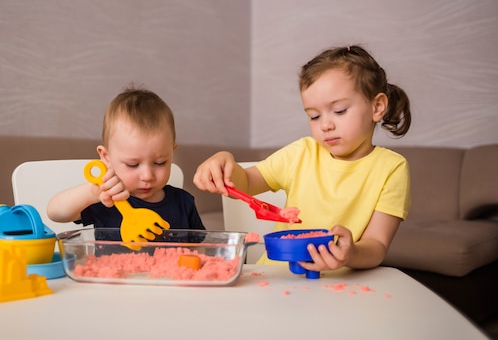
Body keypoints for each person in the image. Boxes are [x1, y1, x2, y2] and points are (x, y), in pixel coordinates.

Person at [193, 45, 412, 271]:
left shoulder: (391, 168)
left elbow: (377, 245)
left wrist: (351, 254)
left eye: (339, 111)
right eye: (314, 116)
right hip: (277, 274)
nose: (326, 125)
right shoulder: (301, 153)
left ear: (377, 107)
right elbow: (247, 182)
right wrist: (224, 162)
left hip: (342, 284)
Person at [47, 85, 206, 234]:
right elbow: (55, 213)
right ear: (106, 158)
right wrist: (93, 192)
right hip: (111, 265)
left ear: (172, 153)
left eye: (160, 163)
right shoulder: (105, 201)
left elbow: (203, 246)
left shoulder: (183, 202)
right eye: (133, 164)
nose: (147, 176)